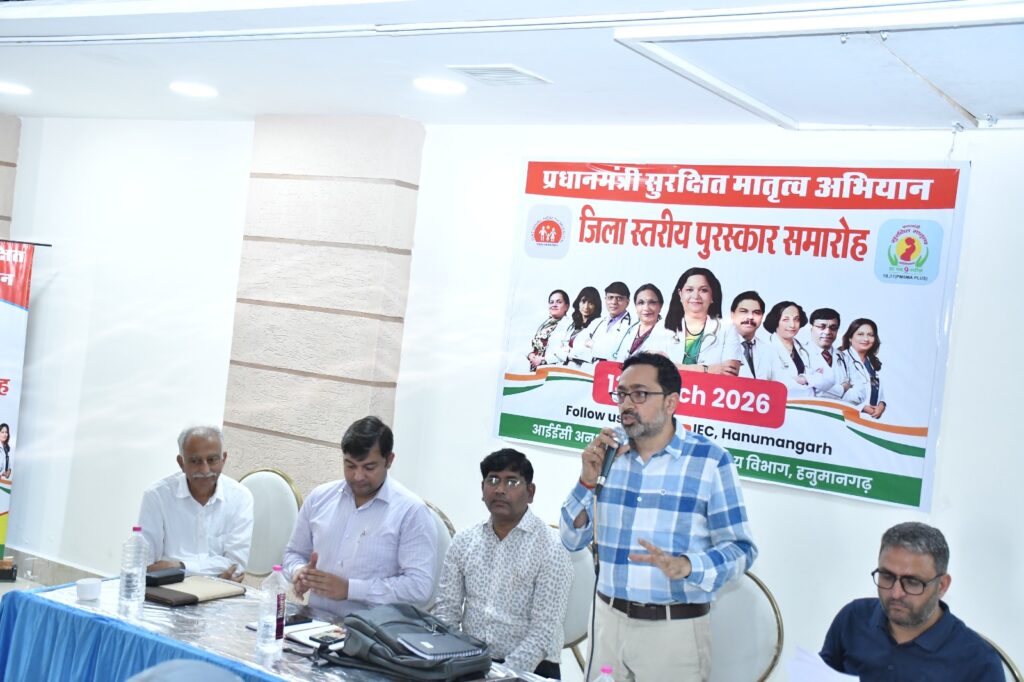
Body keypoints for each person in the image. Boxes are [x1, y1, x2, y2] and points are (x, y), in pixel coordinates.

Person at [560, 352, 757, 682]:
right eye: (622, 394)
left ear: (671, 402)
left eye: (639, 394)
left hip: (672, 633)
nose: (626, 404)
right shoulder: (608, 453)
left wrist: (688, 566)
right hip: (607, 625)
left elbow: (741, 549)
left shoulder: (709, 460)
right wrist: (586, 481)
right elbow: (571, 538)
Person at [433, 448, 572, 678]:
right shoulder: (464, 540)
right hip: (471, 661)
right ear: (482, 489)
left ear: (530, 492)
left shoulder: (551, 547)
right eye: (493, 480)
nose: (499, 489)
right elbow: (446, 611)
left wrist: (500, 676)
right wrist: (450, 661)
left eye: (512, 482)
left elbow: (544, 632)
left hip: (532, 667)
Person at [283, 415, 437, 616]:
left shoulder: (411, 511)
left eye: (369, 467)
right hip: (314, 622)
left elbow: (419, 587)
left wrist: (351, 589)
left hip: (373, 631)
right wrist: (299, 571)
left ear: (389, 460)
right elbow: (292, 554)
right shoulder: (320, 498)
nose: (358, 476)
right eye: (350, 465)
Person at [820, 522, 1002, 680]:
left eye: (912, 582)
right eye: (887, 576)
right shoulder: (853, 619)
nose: (896, 593)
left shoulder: (978, 661)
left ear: (942, 586)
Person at [138, 426, 254, 580]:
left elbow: (235, 566)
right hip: (168, 588)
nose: (205, 470)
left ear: (223, 459)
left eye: (212, 460)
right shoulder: (157, 496)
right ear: (181, 463)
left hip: (220, 591)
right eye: (195, 461)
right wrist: (214, 572)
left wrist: (179, 567)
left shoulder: (240, 497)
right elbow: (146, 566)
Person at [662, 267, 739, 375]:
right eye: (689, 290)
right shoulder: (661, 326)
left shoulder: (727, 328)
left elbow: (730, 372)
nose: (695, 296)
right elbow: (654, 367)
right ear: (680, 294)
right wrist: (707, 369)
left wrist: (674, 367)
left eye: (703, 290)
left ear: (712, 296)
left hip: (710, 387)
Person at [570, 282, 633, 364]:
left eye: (619, 298)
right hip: (587, 369)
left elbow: (621, 355)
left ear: (627, 302)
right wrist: (601, 351)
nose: (614, 302)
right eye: (610, 297)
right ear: (605, 299)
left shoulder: (633, 326)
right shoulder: (597, 322)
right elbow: (577, 345)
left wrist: (593, 345)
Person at [726, 291, 782, 381]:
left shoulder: (769, 351)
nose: (750, 317)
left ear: (762, 317)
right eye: (744, 311)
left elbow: (779, 384)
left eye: (756, 312)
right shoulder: (718, 346)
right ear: (732, 314)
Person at [763, 300, 814, 396]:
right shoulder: (765, 348)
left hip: (808, 402)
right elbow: (767, 384)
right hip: (779, 402)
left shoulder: (806, 349)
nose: (792, 325)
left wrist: (806, 379)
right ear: (775, 321)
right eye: (786, 320)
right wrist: (806, 381)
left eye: (796, 319)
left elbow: (822, 379)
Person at [838, 318, 887, 418]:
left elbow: (878, 391)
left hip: (870, 420)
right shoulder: (840, 359)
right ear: (850, 337)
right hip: (846, 417)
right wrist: (862, 407)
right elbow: (832, 394)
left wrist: (881, 405)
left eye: (870, 335)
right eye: (860, 334)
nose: (866, 339)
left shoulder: (873, 362)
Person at [547, 286, 602, 366]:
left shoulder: (599, 326)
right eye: (583, 301)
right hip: (562, 367)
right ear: (578, 303)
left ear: (596, 305)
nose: (586, 307)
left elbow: (588, 354)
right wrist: (568, 354)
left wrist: (566, 352)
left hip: (582, 370)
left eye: (591, 303)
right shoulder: (571, 325)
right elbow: (555, 348)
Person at [614, 283, 670, 361]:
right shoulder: (628, 330)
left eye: (652, 302)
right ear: (636, 306)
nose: (646, 308)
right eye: (641, 303)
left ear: (660, 306)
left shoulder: (668, 334)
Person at [805, 308, 847, 399]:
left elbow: (858, 392)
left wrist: (816, 385)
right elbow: (804, 389)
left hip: (841, 408)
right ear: (811, 328)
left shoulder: (846, 358)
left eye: (833, 328)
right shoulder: (800, 354)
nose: (828, 332)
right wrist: (842, 389)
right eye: (821, 327)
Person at [527, 289, 570, 370]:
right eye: (551, 302)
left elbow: (567, 353)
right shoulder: (545, 324)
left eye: (559, 302)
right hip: (536, 370)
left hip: (554, 371)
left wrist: (544, 360)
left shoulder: (570, 326)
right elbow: (536, 346)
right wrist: (531, 355)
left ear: (566, 306)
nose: (554, 305)